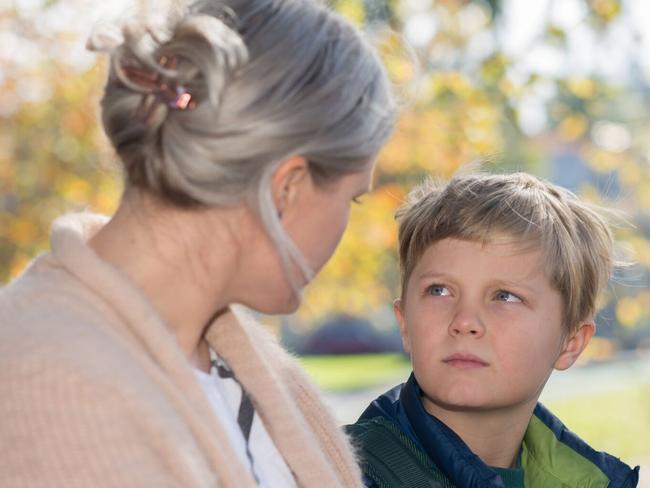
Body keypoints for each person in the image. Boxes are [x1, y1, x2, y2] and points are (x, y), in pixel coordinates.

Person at [0, 0, 396, 485]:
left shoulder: (262, 373)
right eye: (353, 198)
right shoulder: (48, 386)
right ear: (286, 188)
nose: (346, 226)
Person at [346, 172, 640, 487]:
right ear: (404, 322)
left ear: (570, 342)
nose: (465, 321)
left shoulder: (586, 480)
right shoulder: (335, 474)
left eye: (504, 296)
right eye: (439, 290)